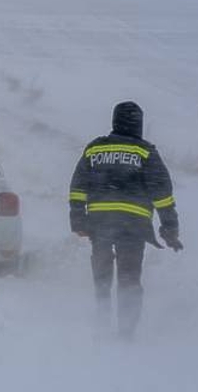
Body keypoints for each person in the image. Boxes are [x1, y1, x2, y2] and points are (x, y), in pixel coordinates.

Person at [69, 101, 181, 340]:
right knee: (129, 277)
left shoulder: (94, 149)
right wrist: (170, 228)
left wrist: (78, 220)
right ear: (138, 123)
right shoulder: (145, 152)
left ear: (115, 121)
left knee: (101, 275)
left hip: (100, 224)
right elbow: (162, 193)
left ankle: (102, 321)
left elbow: (78, 187)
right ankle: (126, 331)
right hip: (134, 226)